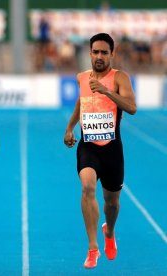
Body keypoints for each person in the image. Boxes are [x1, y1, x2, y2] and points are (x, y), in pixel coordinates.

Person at [64, 33, 137, 269]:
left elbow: (132, 108)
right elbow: (81, 102)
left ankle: (109, 230)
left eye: (104, 52)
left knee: (112, 203)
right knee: (87, 186)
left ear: (112, 54)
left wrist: (106, 92)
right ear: (90, 53)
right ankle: (93, 248)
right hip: (88, 145)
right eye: (95, 51)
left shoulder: (120, 78)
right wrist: (69, 127)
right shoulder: (82, 78)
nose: (99, 56)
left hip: (112, 148)